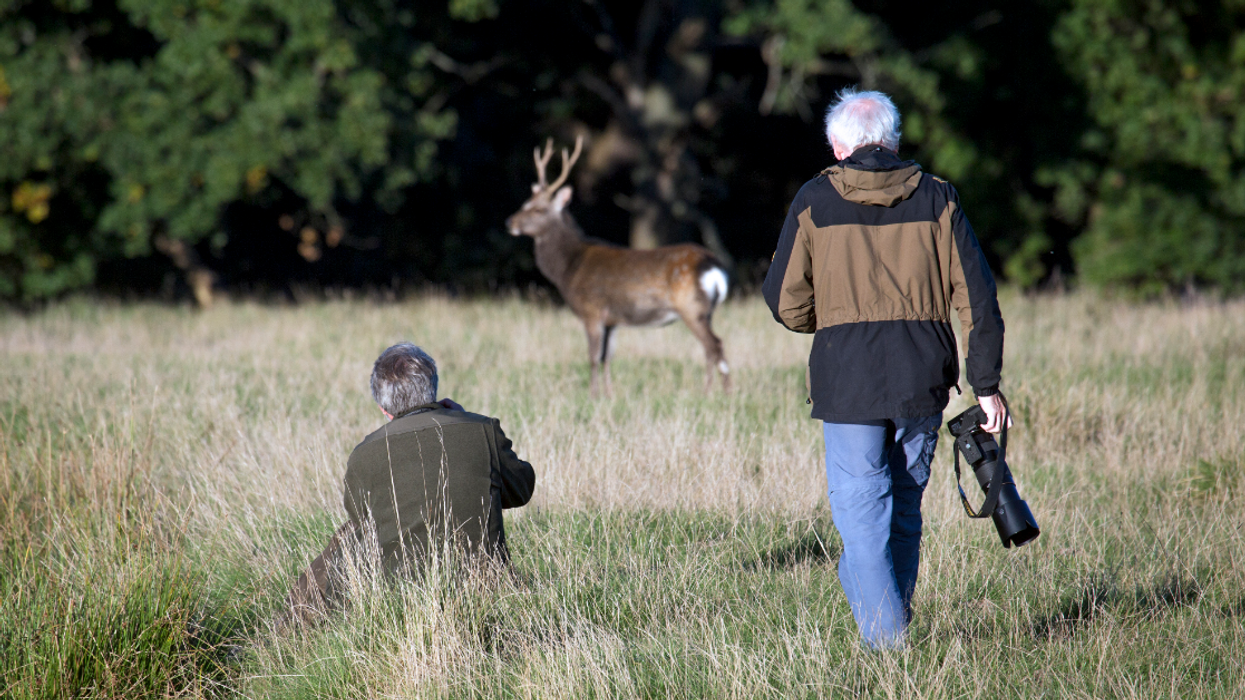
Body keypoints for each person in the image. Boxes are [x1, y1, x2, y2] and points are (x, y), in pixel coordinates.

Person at [762, 88, 1009, 649]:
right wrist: (987, 385)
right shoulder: (940, 199)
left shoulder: (812, 200)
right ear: (894, 141)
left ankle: (888, 649)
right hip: (921, 376)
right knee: (900, 511)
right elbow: (979, 300)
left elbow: (784, 301)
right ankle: (890, 633)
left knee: (861, 517)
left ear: (836, 144)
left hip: (845, 378)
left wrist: (834, 323)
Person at [285, 342, 536, 621]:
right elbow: (521, 490)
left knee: (346, 539)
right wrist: (464, 419)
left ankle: (285, 629)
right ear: (434, 389)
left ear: (383, 407)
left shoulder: (363, 455)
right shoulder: (483, 430)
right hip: (486, 590)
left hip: (399, 600)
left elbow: (361, 523)